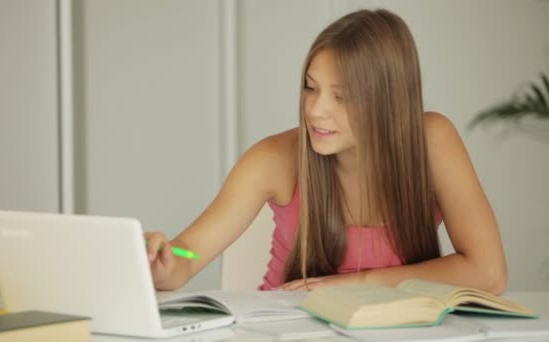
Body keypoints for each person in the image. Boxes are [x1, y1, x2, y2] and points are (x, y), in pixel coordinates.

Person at [145, 8, 507, 294]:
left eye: (341, 96)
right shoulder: (272, 159)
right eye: (310, 87)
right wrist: (165, 260)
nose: (316, 109)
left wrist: (356, 285)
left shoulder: (432, 139)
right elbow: (187, 257)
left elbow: (488, 273)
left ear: (387, 101)